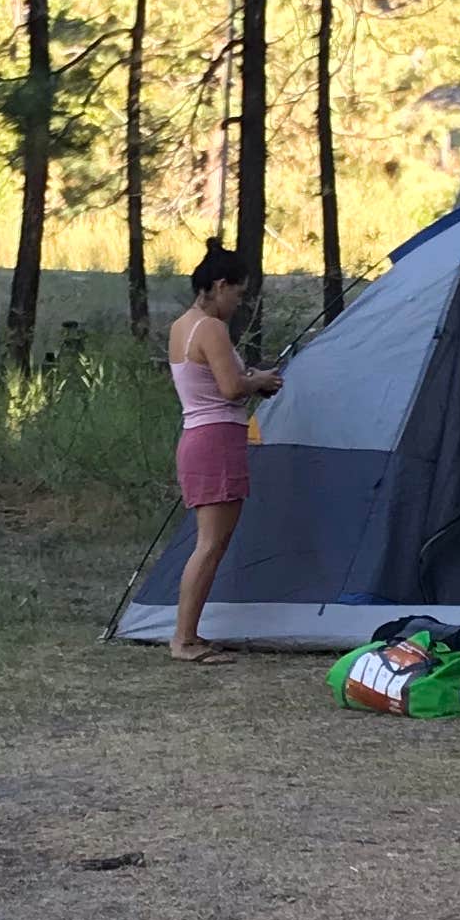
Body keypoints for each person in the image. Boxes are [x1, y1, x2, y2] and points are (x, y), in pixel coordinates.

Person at [165, 243, 280, 664]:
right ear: (218, 286)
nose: (239, 303)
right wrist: (259, 380)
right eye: (238, 293)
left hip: (199, 438)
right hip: (215, 442)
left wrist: (250, 380)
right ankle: (184, 640)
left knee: (210, 543)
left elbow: (216, 382)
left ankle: (188, 635)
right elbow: (231, 388)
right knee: (211, 545)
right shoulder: (211, 328)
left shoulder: (182, 326)